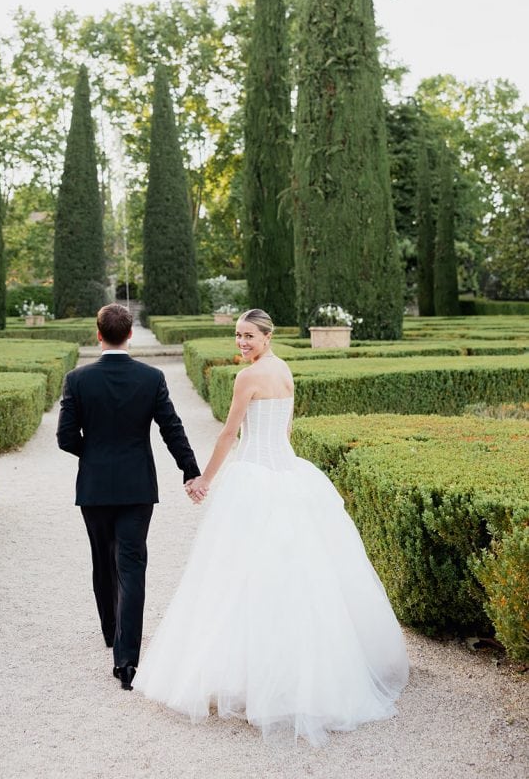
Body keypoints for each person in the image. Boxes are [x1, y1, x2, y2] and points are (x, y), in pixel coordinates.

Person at [134, 308, 409, 746]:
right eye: (238, 336)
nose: (241, 342)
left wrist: (205, 479)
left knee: (243, 577)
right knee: (300, 574)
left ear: (266, 335)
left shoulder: (248, 379)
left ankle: (255, 678)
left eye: (248, 336)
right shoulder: (284, 370)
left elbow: (229, 435)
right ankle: (303, 673)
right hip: (290, 474)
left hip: (256, 476)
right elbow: (286, 427)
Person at [56, 302, 201, 692]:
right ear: (130, 334)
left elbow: (65, 438)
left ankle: (109, 632)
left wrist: (95, 454)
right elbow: (172, 428)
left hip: (95, 486)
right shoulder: (151, 378)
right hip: (138, 486)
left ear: (97, 334)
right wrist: (191, 469)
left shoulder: (78, 379)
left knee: (103, 561)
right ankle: (127, 660)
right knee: (132, 565)